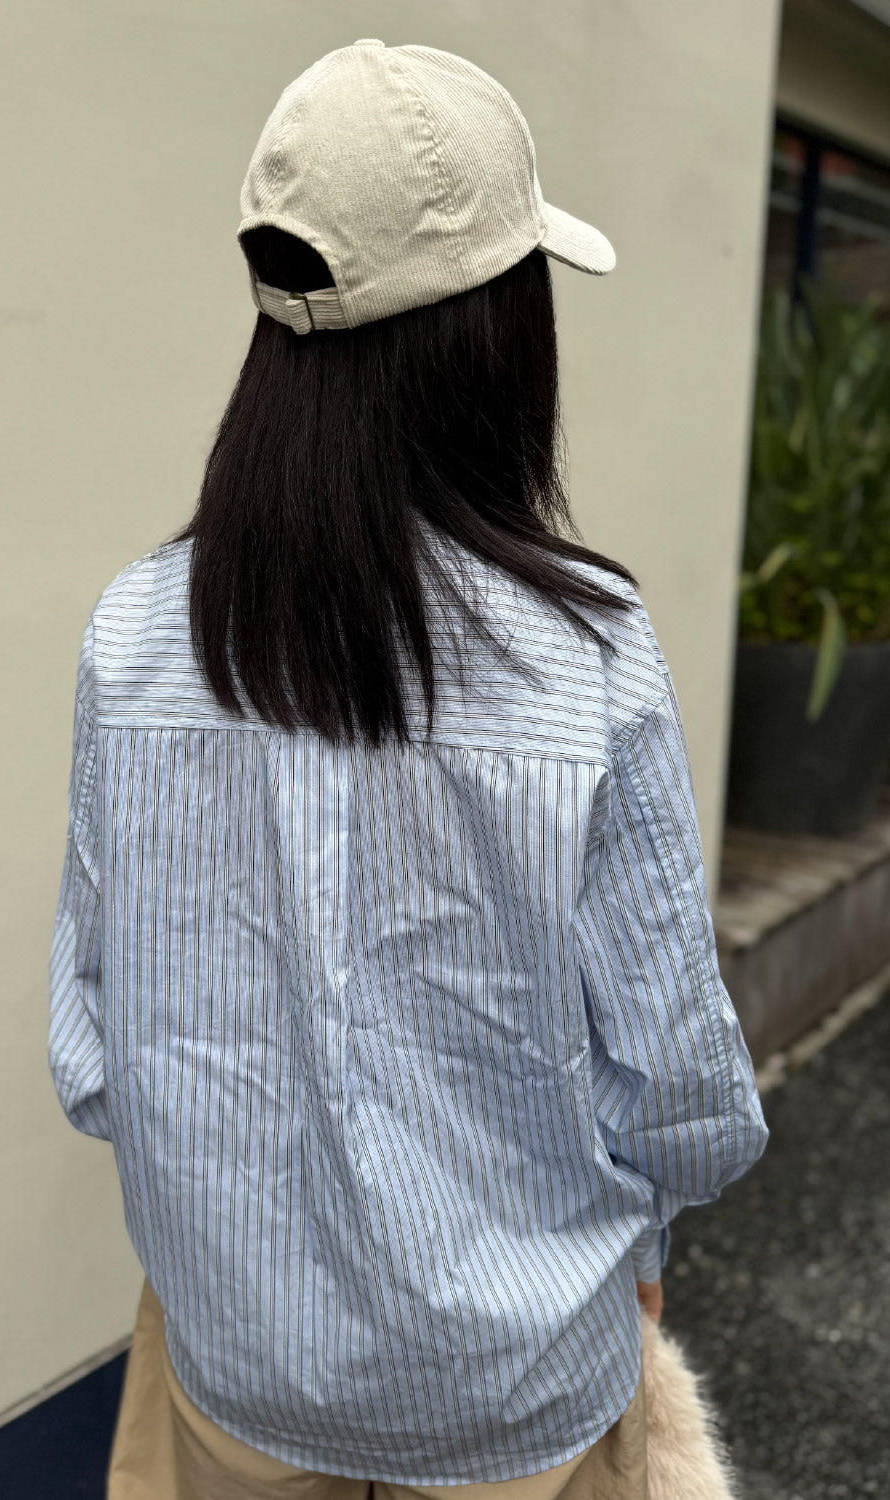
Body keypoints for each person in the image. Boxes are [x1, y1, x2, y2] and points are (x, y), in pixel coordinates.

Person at [49, 38, 769, 1500]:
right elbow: (685, 1101)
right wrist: (636, 1247)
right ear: (494, 334)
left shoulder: (136, 635)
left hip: (236, 1380)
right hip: (518, 1400)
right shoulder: (590, 657)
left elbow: (95, 1058)